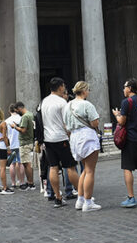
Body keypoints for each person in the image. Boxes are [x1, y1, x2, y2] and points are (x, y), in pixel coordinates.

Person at [42, 78, 81, 208]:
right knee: (70, 167)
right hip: (61, 138)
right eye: (63, 86)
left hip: (48, 139)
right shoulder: (62, 102)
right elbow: (67, 123)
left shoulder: (44, 101)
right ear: (60, 87)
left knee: (53, 167)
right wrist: (70, 135)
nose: (64, 88)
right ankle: (82, 195)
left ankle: (58, 197)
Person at [64, 81, 102, 211]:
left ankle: (80, 200)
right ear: (84, 91)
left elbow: (66, 126)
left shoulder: (68, 106)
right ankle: (88, 202)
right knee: (90, 170)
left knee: (85, 170)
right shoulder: (87, 104)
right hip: (86, 136)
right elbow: (95, 123)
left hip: (74, 137)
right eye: (88, 90)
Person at [112, 78, 137, 207]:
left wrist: (116, 115)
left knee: (127, 168)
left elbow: (122, 121)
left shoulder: (126, 102)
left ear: (130, 88)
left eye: (125, 87)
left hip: (130, 139)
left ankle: (131, 197)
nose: (123, 89)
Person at [5, 103, 23, 188]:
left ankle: (13, 183)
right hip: (20, 143)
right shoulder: (21, 119)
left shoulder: (7, 121)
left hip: (11, 143)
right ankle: (22, 181)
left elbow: (5, 134)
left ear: (9, 111)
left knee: (12, 164)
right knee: (21, 163)